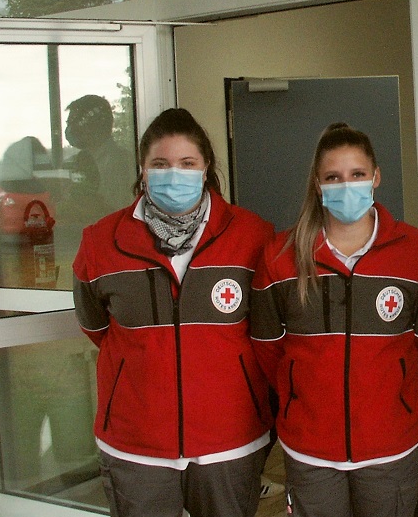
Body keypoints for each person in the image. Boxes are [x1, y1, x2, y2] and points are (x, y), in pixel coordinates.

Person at [72, 108, 275, 517]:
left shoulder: (253, 236)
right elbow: (95, 325)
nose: (173, 174)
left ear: (206, 168)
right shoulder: (101, 241)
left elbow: (269, 332)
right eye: (160, 164)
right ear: (142, 170)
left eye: (187, 164)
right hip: (136, 441)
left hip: (229, 437)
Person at [250, 122, 418, 517]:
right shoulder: (280, 254)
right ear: (317, 184)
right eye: (334, 177)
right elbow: (267, 347)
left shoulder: (417, 252)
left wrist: (391, 392)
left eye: (357, 174)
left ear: (376, 177)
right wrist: (301, 391)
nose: (347, 185)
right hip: (310, 446)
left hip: (391, 442)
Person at [64, 94, 135, 211]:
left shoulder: (120, 163)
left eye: (72, 123)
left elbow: (118, 208)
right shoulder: (79, 161)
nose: (70, 129)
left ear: (90, 124)